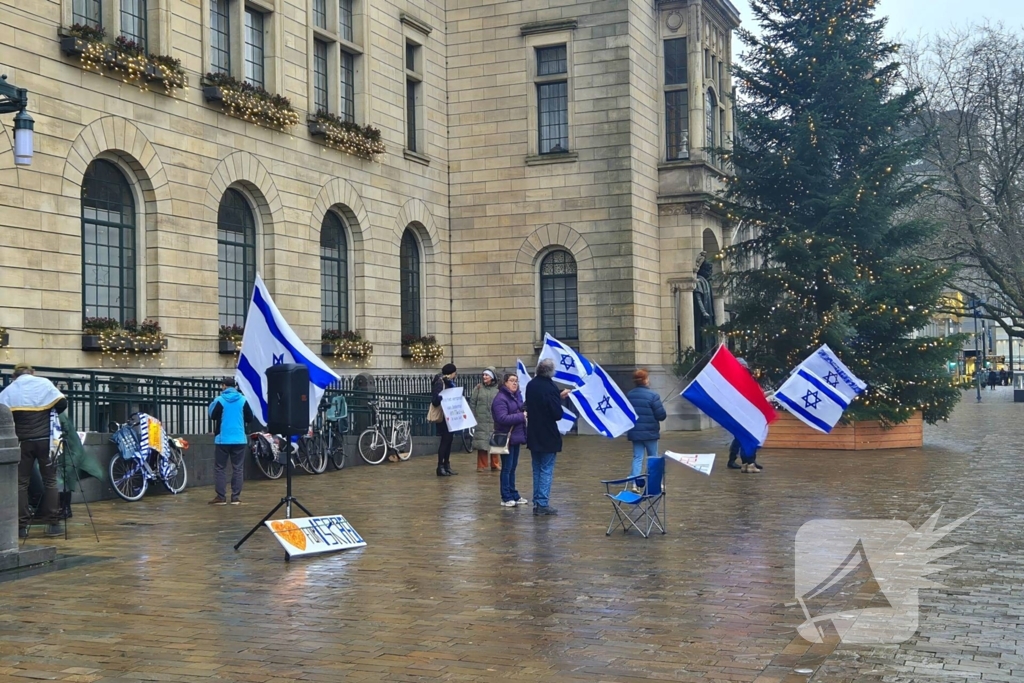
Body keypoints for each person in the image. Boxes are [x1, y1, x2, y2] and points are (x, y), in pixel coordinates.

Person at [0, 364, 67, 538]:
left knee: (21, 483)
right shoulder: (43, 383)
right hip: (46, 440)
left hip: (22, 441)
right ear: (32, 372)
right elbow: (62, 403)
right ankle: (53, 523)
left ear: (14, 376)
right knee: (50, 481)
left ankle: (21, 527)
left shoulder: (8, 390)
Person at [526, 358, 571, 516]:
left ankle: (537, 502)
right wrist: (558, 398)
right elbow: (556, 414)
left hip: (533, 432)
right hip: (547, 434)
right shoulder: (550, 386)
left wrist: (557, 395)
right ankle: (543, 503)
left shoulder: (531, 385)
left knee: (537, 469)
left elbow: (538, 401)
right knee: (546, 469)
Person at [208, 377, 254, 505]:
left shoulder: (219, 400)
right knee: (238, 468)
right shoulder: (243, 400)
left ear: (224, 386)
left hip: (223, 440)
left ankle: (221, 497)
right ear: (235, 387)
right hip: (239, 439)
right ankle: (235, 497)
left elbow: (212, 415)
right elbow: (250, 418)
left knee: (220, 468)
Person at [625, 369, 667, 490]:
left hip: (635, 432)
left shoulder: (629, 395)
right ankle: (655, 483)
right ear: (645, 381)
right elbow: (661, 416)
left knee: (637, 457)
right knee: (653, 457)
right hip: (650, 432)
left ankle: (634, 483)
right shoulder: (653, 396)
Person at [492, 373, 529, 507]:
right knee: (507, 468)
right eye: (512, 381)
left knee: (513, 467)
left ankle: (514, 493)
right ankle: (506, 496)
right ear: (505, 383)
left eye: (516, 381)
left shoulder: (517, 396)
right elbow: (502, 418)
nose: (515, 383)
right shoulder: (500, 399)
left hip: (516, 436)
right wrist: (521, 416)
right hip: (505, 437)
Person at [729, 358, 764, 473]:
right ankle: (748, 462)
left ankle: (747, 462)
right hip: (744, 411)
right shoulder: (740, 377)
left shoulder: (739, 377)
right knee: (745, 437)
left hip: (743, 410)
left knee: (742, 437)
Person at [469, 367, 500, 472]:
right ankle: (481, 465)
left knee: (494, 442)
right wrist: (472, 416)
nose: (484, 377)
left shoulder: (498, 389)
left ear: (492, 377)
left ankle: (495, 464)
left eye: (487, 375)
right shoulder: (478, 388)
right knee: (481, 443)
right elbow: (473, 403)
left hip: (494, 419)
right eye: (483, 375)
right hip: (481, 419)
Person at [432, 363, 459, 477]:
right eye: (454, 372)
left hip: (450, 415)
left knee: (449, 441)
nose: (455, 374)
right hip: (443, 416)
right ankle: (440, 467)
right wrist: (444, 397)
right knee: (444, 441)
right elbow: (435, 400)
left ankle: (447, 465)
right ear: (452, 373)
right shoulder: (440, 382)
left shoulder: (449, 383)